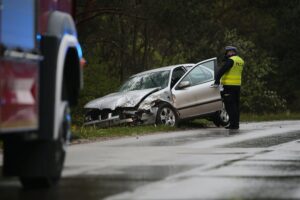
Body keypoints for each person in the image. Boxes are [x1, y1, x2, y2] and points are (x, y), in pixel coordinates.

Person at [214, 46, 244, 130]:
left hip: (228, 86)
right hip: (237, 86)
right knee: (236, 106)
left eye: (227, 52)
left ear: (231, 52)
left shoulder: (231, 60)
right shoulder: (240, 60)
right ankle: (235, 124)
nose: (226, 54)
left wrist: (217, 80)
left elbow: (222, 70)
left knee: (230, 106)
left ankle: (232, 125)